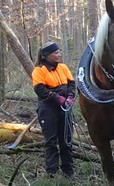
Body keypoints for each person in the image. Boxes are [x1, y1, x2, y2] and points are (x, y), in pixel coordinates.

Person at [31, 42, 76, 178]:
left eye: (59, 52)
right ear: (46, 56)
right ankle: (52, 174)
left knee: (66, 140)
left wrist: (70, 97)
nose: (59, 55)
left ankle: (69, 172)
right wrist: (57, 98)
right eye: (55, 53)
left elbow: (72, 84)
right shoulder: (39, 70)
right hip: (48, 109)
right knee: (51, 142)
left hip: (65, 109)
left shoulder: (63, 68)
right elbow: (39, 89)